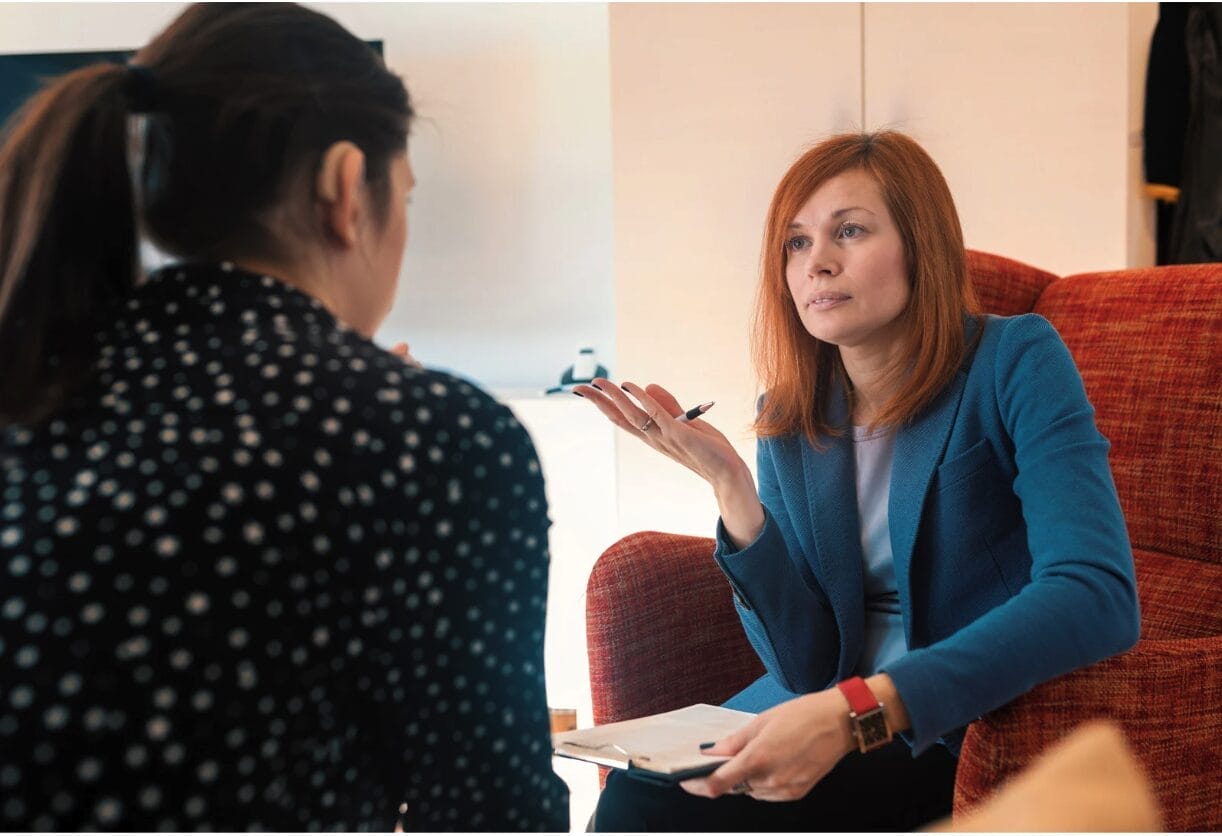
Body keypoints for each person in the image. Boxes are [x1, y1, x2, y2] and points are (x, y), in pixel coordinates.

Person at [0, 4, 567, 831]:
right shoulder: (426, 438)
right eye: (403, 195)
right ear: (346, 188)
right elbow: (491, 813)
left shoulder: (28, 395)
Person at [576, 130, 1139, 831]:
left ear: (920, 245)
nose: (819, 263)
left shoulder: (1016, 361)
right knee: (641, 793)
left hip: (952, 725)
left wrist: (862, 709)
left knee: (653, 811)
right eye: (796, 242)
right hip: (816, 711)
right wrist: (733, 493)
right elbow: (806, 663)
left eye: (849, 230)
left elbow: (1098, 593)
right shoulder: (788, 415)